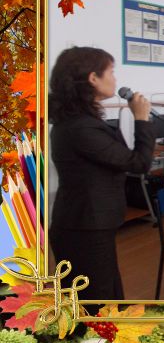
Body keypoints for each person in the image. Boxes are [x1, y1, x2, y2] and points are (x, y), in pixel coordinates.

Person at [49, 46, 156, 303]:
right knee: (96, 301)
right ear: (93, 78)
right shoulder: (81, 127)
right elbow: (138, 163)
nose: (115, 79)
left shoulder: (82, 121)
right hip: (84, 226)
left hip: (88, 222)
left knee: (107, 293)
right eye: (111, 72)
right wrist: (141, 119)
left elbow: (120, 157)